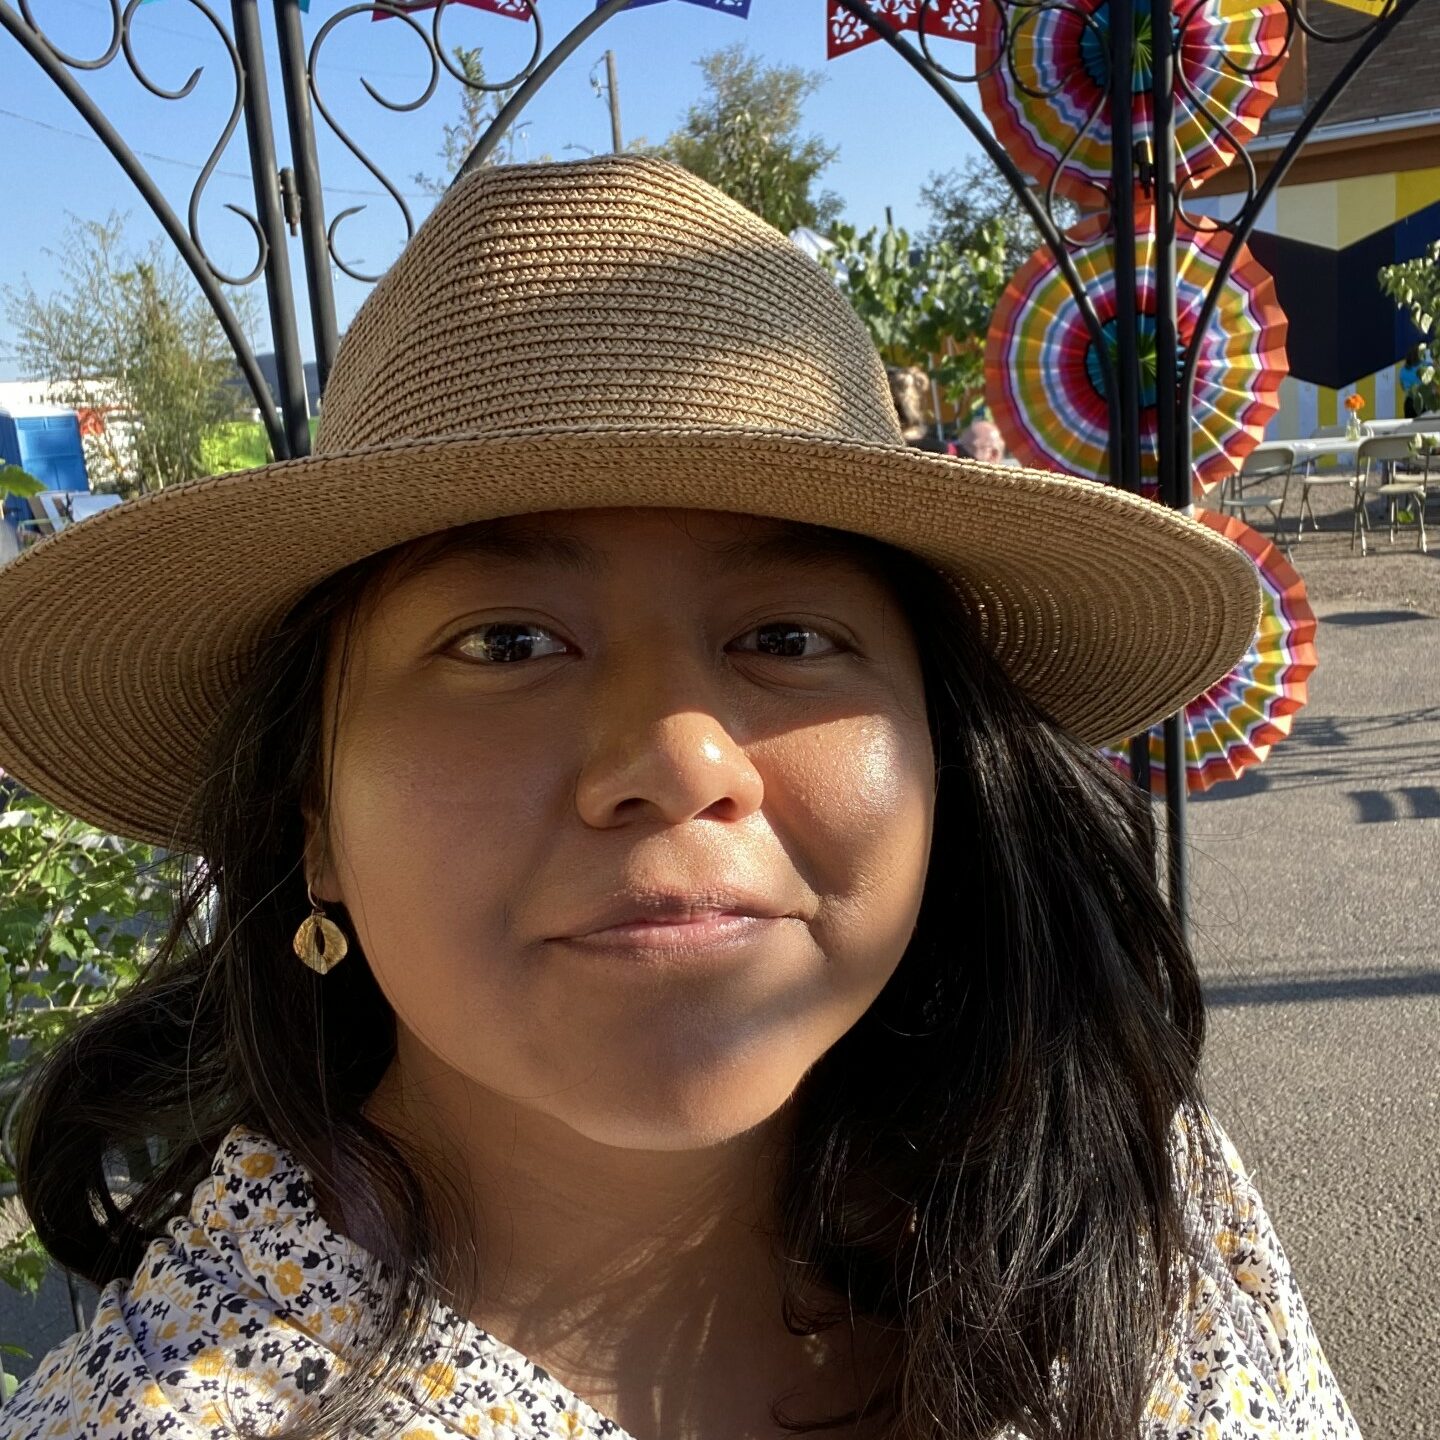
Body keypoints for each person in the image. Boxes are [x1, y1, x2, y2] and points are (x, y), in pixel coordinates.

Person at [0, 156, 1358, 1440]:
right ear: (313, 813)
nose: (680, 759)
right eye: (508, 643)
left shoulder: (1124, 1191)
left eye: (788, 637)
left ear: (943, 747)